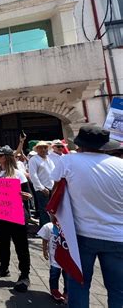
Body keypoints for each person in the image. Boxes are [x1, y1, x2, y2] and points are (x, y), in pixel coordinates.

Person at [51, 126, 123, 308]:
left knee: (78, 285)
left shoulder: (68, 161)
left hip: (81, 235)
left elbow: (56, 189)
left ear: (80, 144)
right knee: (118, 289)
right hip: (117, 235)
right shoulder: (120, 165)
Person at [0, 145, 33, 293]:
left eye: (0, 156)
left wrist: (24, 196)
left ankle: (25, 274)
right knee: (3, 242)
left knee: (21, 246)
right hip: (0, 214)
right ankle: (4, 267)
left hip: (16, 214)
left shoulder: (18, 174)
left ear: (7, 157)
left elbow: (27, 196)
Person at [37, 215, 68, 303]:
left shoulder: (69, 227)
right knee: (54, 274)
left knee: (67, 276)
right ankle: (54, 290)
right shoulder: (49, 227)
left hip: (66, 257)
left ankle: (67, 292)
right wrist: (44, 250)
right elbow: (45, 239)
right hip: (54, 257)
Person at [28, 141, 55, 227]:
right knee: (44, 210)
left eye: (45, 147)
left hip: (52, 187)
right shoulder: (33, 160)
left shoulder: (49, 159)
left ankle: (51, 228)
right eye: (41, 147)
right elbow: (33, 175)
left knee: (52, 209)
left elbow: (53, 172)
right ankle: (45, 229)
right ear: (37, 149)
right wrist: (41, 188)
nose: (43, 149)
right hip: (42, 188)